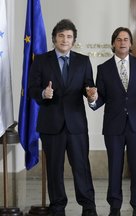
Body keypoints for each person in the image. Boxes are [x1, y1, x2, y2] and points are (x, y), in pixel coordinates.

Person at [88, 27, 136, 216]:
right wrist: (92, 98)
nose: (122, 42)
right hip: (113, 126)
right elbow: (100, 99)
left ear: (131, 44)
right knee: (114, 166)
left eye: (126, 39)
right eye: (118, 39)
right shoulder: (103, 68)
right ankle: (114, 206)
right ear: (113, 43)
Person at [28, 19, 98, 216]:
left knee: (81, 167)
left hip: (76, 124)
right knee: (54, 169)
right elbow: (32, 88)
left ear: (74, 40)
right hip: (51, 125)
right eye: (61, 36)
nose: (65, 40)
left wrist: (91, 94)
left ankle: (89, 207)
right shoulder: (41, 60)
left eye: (69, 36)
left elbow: (88, 86)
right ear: (54, 38)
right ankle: (57, 207)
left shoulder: (83, 61)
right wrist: (43, 94)